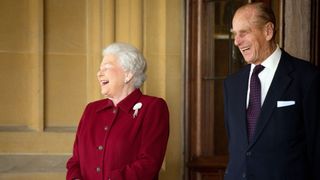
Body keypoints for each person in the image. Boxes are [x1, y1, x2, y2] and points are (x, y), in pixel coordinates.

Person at [223, 2, 320, 180]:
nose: (236, 41)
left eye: (243, 33)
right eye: (234, 34)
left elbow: (318, 150)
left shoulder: (308, 78)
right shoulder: (231, 85)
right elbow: (238, 146)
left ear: (268, 31)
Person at [66, 42, 169, 180]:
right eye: (99, 69)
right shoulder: (91, 110)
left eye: (106, 67)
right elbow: (75, 160)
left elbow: (149, 162)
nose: (99, 73)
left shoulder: (153, 107)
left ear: (128, 74)